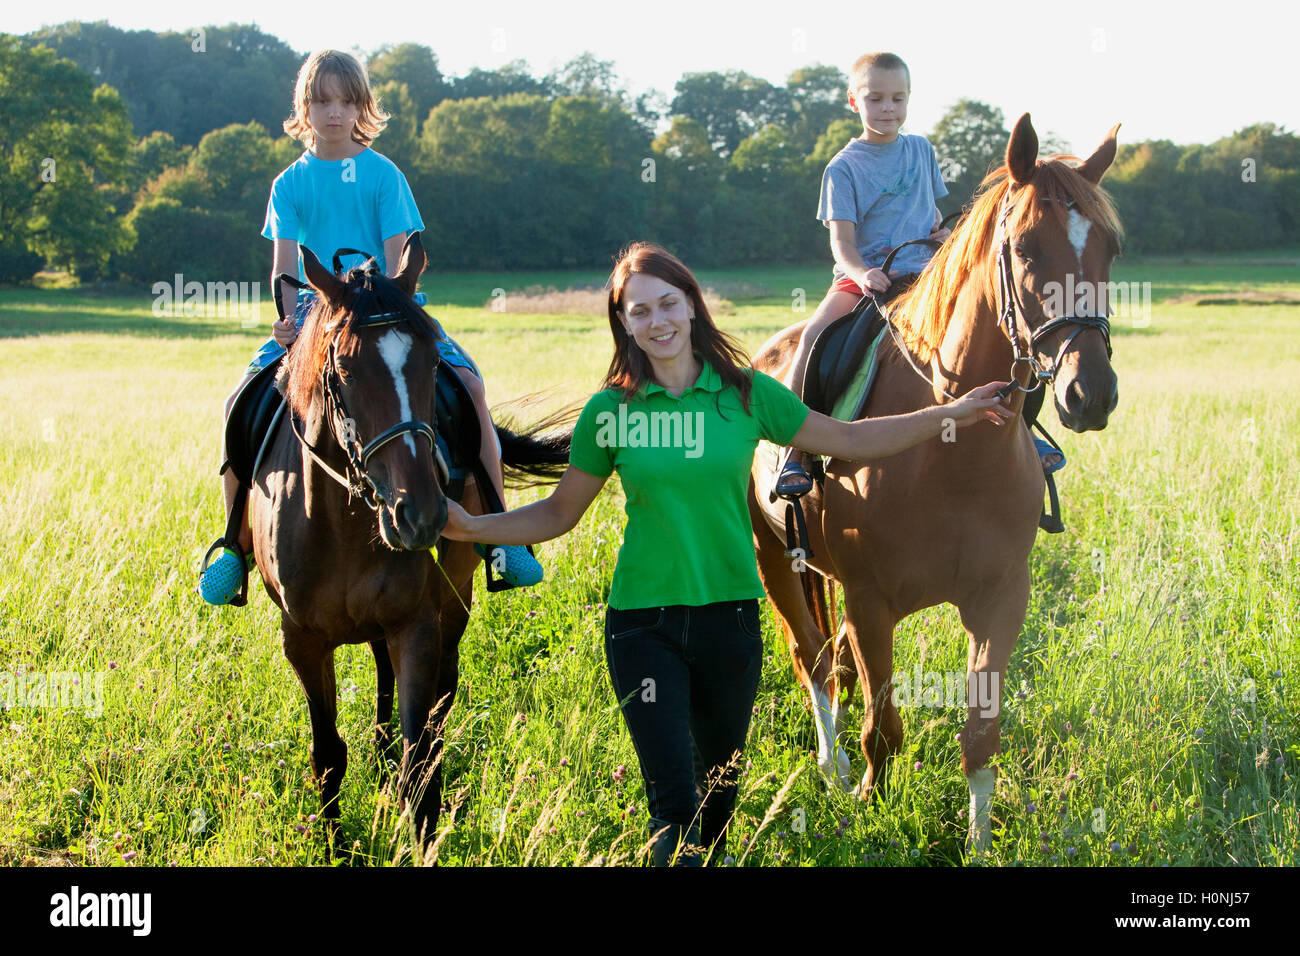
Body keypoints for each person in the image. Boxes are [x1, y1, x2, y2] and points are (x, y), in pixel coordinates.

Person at [438, 242, 1014, 865]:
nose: (657, 322)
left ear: (691, 305)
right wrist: (469, 527)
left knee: (719, 801)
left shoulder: (746, 396)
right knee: (673, 806)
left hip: (732, 625)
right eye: (639, 312)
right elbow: (557, 513)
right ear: (623, 323)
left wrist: (949, 413)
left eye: (667, 304)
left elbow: (848, 438)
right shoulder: (611, 412)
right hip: (643, 625)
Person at [197, 50, 541, 605]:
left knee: (470, 386)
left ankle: (499, 536)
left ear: (362, 106)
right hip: (315, 316)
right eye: (321, 101)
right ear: (303, 107)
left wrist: (372, 306)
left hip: (386, 312)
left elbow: (397, 261)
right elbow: (286, 266)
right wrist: (286, 321)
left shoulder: (384, 175)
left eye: (345, 100)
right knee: (240, 399)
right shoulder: (289, 185)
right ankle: (235, 546)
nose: (333, 112)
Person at [774, 51, 953, 498]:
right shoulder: (843, 168)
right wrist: (862, 271)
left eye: (898, 98)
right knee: (815, 334)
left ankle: (1022, 429)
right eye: (876, 99)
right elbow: (842, 243)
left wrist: (942, 232)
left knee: (985, 320)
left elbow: (929, 214)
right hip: (866, 275)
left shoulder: (921, 150)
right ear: (854, 101)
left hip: (927, 273)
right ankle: (797, 447)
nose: (888, 108)